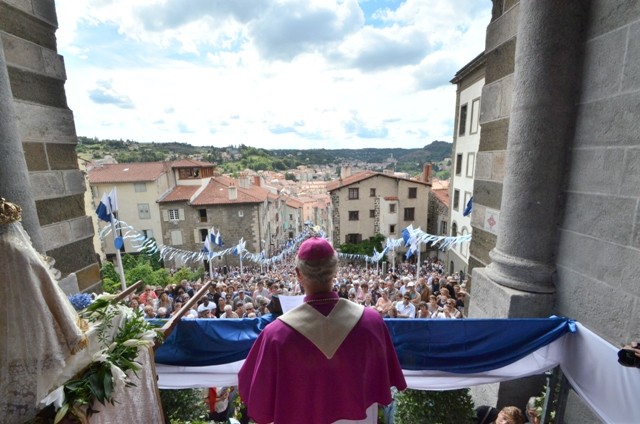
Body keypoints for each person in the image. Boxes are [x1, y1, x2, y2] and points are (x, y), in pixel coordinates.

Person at [238, 237, 406, 424]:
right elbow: (384, 379)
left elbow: (254, 392)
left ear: (298, 274)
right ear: (335, 270)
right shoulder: (372, 323)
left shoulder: (276, 335)